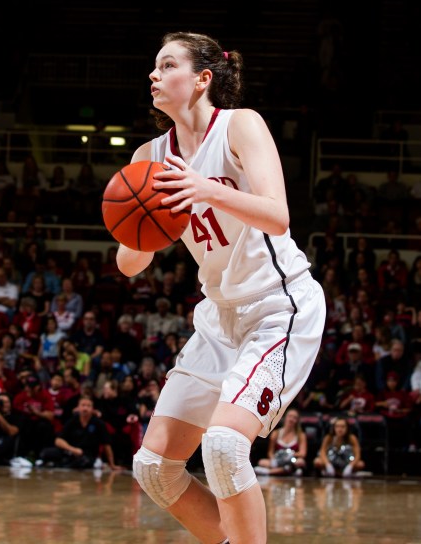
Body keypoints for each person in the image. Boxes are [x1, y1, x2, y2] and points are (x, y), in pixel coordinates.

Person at [116, 31, 326, 543]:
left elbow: (278, 216)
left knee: (226, 447)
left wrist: (204, 189)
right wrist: (144, 226)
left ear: (203, 78)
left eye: (167, 66)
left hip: (278, 308)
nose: (154, 75)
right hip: (218, 319)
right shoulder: (151, 154)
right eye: (154, 67)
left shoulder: (240, 125)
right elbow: (128, 264)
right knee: (154, 467)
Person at [38, 395, 121, 470]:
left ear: (92, 409)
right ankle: (60, 465)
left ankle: (59, 465)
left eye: (88, 406)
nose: (85, 408)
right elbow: (58, 441)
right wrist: (72, 449)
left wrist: (112, 464)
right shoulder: (72, 421)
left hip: (87, 455)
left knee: (84, 462)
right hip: (70, 452)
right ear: (78, 407)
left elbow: (107, 445)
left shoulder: (99, 424)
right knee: (45, 453)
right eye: (83, 405)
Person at [253, 408, 307, 476]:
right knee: (262, 462)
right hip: (278, 461)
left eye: (294, 418)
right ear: (285, 417)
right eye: (289, 416)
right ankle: (287, 470)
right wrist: (274, 459)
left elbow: (302, 453)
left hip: (292, 460)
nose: (291, 419)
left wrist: (289, 455)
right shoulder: (276, 433)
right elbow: (270, 452)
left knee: (300, 462)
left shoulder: (301, 435)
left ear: (297, 421)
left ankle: (269, 472)